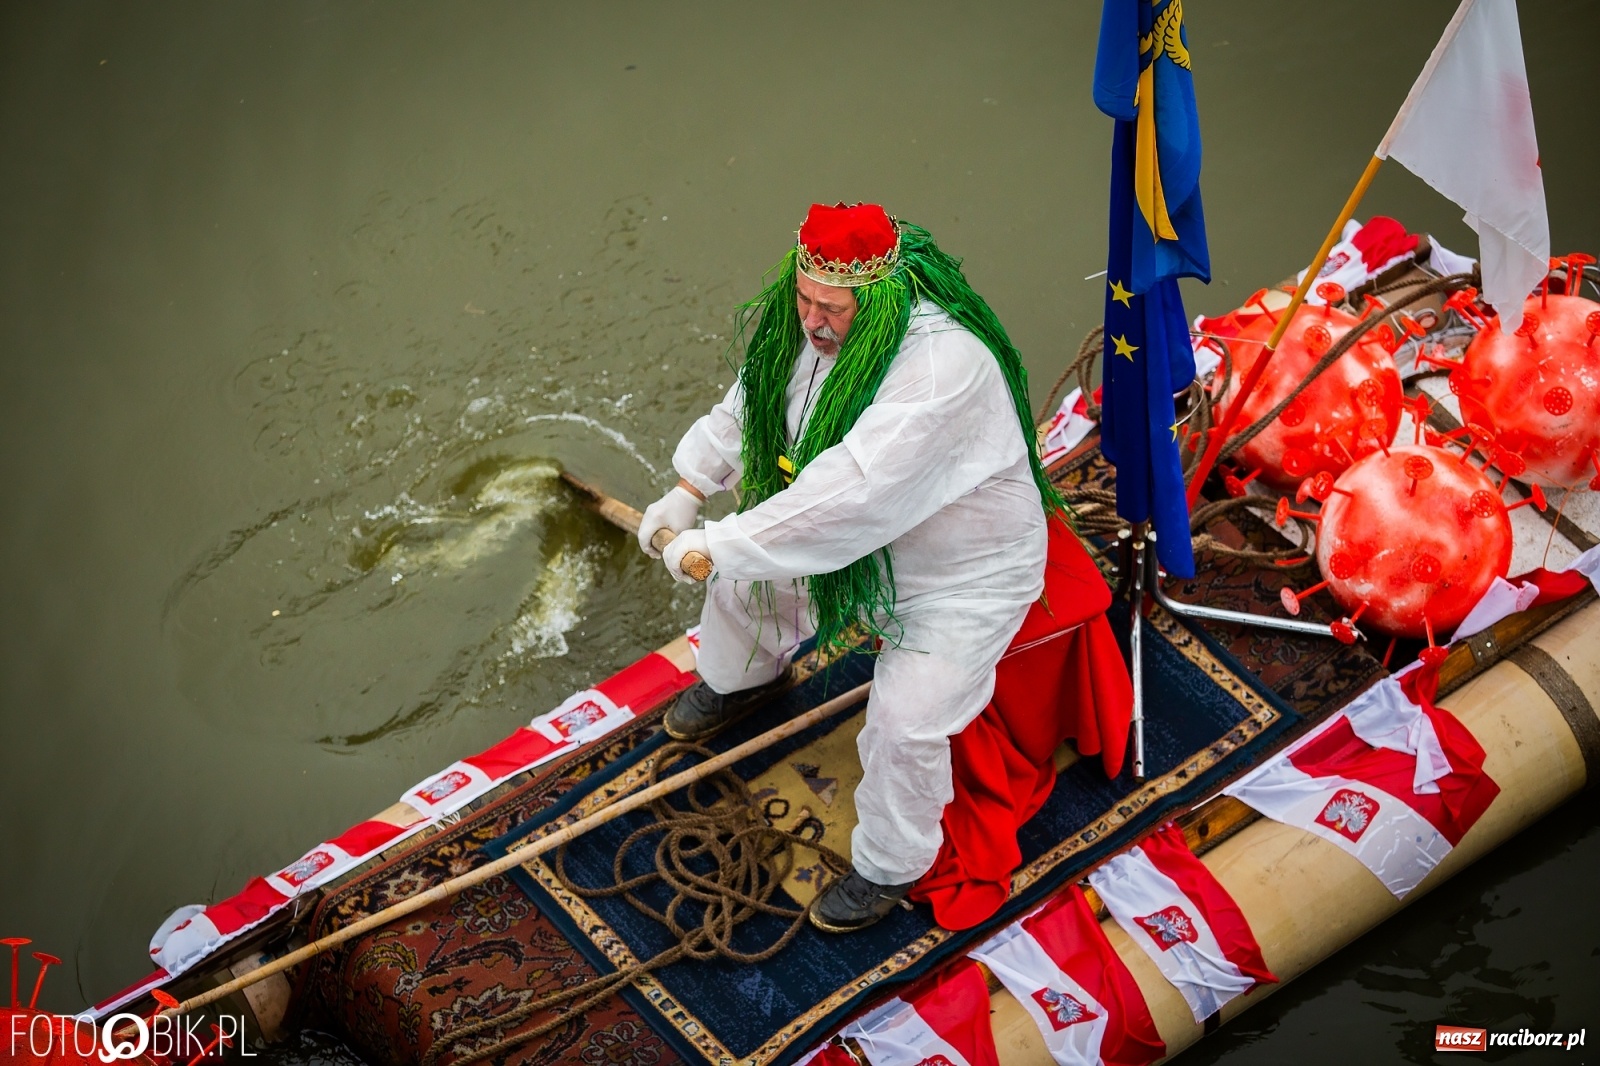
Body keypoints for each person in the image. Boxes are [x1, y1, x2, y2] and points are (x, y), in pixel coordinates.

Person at [636, 202, 1061, 932]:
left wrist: (719, 543)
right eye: (804, 300)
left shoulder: (942, 368)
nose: (812, 321)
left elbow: (850, 496)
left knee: (904, 726)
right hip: (858, 548)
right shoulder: (809, 328)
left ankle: (890, 867)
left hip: (958, 578)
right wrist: (688, 486)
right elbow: (752, 400)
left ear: (880, 297)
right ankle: (741, 681)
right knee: (747, 584)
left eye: (831, 308)